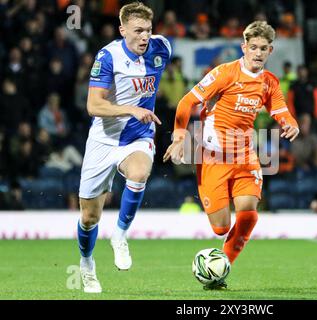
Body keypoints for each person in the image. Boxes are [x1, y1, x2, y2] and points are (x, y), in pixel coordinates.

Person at [163, 21, 299, 289]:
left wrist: (289, 122)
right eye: (253, 47)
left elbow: (280, 109)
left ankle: (219, 268)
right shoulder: (225, 73)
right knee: (221, 228)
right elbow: (187, 101)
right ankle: (216, 260)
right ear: (243, 47)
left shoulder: (269, 82)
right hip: (213, 156)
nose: (258, 53)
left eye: (263, 48)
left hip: (244, 154)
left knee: (248, 214)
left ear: (270, 50)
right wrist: (179, 136)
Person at [77, 2, 171, 293]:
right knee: (89, 217)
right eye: (138, 31)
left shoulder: (162, 49)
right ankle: (87, 265)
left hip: (138, 136)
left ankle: (119, 235)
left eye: (148, 30)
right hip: (103, 140)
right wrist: (130, 108)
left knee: (140, 173)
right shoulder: (108, 56)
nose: (145, 37)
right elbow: (93, 105)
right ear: (122, 30)